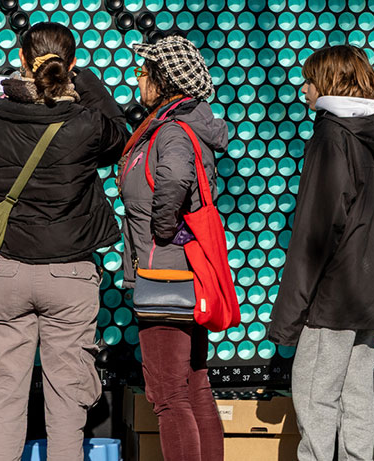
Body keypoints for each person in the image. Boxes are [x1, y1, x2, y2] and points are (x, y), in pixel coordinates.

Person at [0, 21, 127, 461]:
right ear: (69, 64)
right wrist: (85, 80)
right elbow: (119, 140)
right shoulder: (86, 123)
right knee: (67, 399)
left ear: (21, 61)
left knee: (1, 396)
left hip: (6, 271)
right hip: (70, 274)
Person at [268, 44, 374, 461]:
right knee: (357, 397)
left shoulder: (330, 135)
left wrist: (287, 318)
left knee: (314, 398)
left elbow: (315, 232)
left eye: (308, 80)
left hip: (331, 298)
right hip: (367, 292)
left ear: (327, 83)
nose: (303, 90)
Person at [119, 33, 230, 461]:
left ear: (161, 79)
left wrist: (161, 231)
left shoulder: (171, 129)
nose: (138, 79)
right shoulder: (183, 123)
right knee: (194, 383)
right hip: (186, 271)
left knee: (168, 396)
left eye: (143, 72)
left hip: (165, 271)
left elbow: (177, 178)